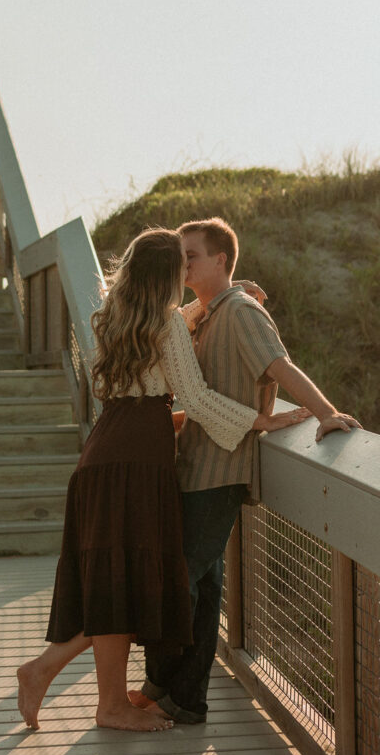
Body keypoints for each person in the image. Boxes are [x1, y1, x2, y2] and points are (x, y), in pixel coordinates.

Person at [16, 228, 307, 733]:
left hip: (103, 452)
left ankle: (89, 693)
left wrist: (231, 295)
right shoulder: (168, 325)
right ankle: (60, 678)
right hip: (140, 463)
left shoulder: (110, 318)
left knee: (115, 581)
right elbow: (192, 397)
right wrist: (260, 421)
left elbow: (148, 365)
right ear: (168, 275)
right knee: (127, 583)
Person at [133, 217, 362, 724]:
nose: (183, 263)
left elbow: (280, 366)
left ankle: (160, 680)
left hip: (217, 469)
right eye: (180, 256)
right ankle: (186, 699)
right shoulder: (208, 314)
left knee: (181, 580)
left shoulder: (238, 313)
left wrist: (325, 413)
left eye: (191, 254)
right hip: (195, 463)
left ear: (220, 260)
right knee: (206, 587)